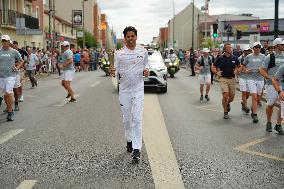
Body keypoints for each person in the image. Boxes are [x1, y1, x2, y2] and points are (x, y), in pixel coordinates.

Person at [109, 26, 149, 162]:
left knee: (137, 119)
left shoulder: (143, 51)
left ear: (136, 37)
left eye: (133, 36)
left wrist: (146, 71)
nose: (130, 39)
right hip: (124, 90)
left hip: (138, 90)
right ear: (125, 38)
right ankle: (129, 140)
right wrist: (112, 71)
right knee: (127, 120)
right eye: (128, 36)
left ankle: (137, 149)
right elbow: (115, 69)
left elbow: (146, 65)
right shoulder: (119, 53)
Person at [260, 38, 284, 134]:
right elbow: (261, 70)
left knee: (283, 105)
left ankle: (278, 125)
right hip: (271, 84)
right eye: (282, 44)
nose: (283, 46)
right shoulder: (269, 57)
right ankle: (269, 122)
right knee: (270, 105)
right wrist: (269, 77)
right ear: (276, 45)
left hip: (282, 84)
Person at [212, 43, 240, 119]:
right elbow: (213, 67)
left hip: (232, 79)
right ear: (225, 49)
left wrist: (237, 70)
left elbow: (239, 66)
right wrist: (216, 72)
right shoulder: (220, 58)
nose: (231, 49)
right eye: (229, 48)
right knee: (225, 95)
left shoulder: (234, 58)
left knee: (232, 97)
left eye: (231, 47)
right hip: (223, 79)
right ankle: (225, 112)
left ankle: (227, 103)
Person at [0, 35, 23, 121]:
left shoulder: (14, 51)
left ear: (9, 42)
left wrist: (18, 67)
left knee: (8, 93)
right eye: (3, 41)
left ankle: (10, 112)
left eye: (6, 41)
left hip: (11, 76)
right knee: (5, 96)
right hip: (1, 76)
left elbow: (21, 61)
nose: (4, 42)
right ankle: (10, 108)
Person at [242, 42, 265, 123]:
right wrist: (246, 70)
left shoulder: (264, 56)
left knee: (258, 99)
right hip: (250, 78)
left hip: (260, 79)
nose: (257, 48)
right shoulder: (248, 56)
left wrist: (263, 70)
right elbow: (243, 65)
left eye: (259, 47)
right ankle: (255, 115)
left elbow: (266, 67)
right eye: (256, 47)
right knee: (254, 96)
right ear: (253, 48)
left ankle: (253, 109)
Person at [238, 45, 252, 114]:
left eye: (248, 50)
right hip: (242, 77)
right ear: (243, 51)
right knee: (244, 92)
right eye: (246, 51)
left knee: (248, 93)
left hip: (250, 78)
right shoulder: (240, 58)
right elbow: (238, 69)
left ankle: (243, 102)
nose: (247, 52)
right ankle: (245, 106)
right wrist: (244, 71)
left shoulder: (252, 57)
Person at [271, 65, 284, 135]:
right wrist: (280, 92)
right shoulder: (283, 67)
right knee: (283, 109)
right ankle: (278, 125)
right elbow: (274, 79)